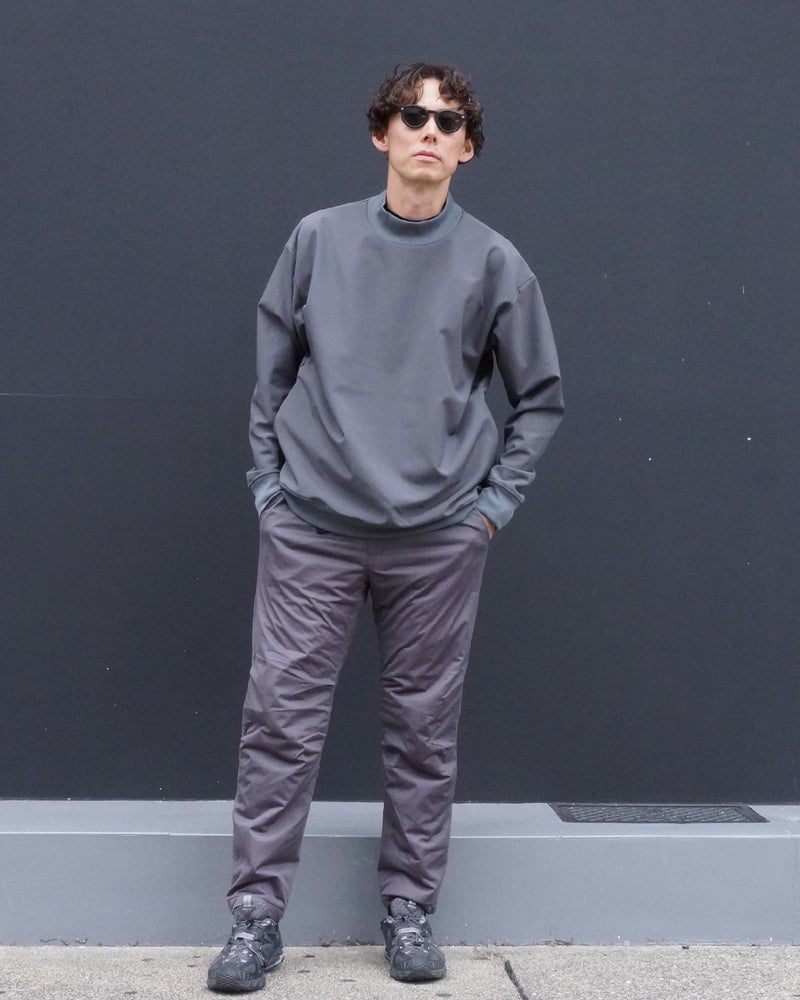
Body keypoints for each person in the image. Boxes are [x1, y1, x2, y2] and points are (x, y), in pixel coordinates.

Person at [207, 62, 564, 993]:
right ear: (382, 134)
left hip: (438, 540)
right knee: (279, 723)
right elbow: (271, 376)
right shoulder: (318, 240)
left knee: (422, 732)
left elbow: (539, 399)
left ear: (468, 148)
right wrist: (269, 490)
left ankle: (410, 911)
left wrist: (490, 509)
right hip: (312, 529)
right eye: (412, 115)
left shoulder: (494, 261)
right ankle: (254, 921)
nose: (429, 130)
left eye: (448, 121)